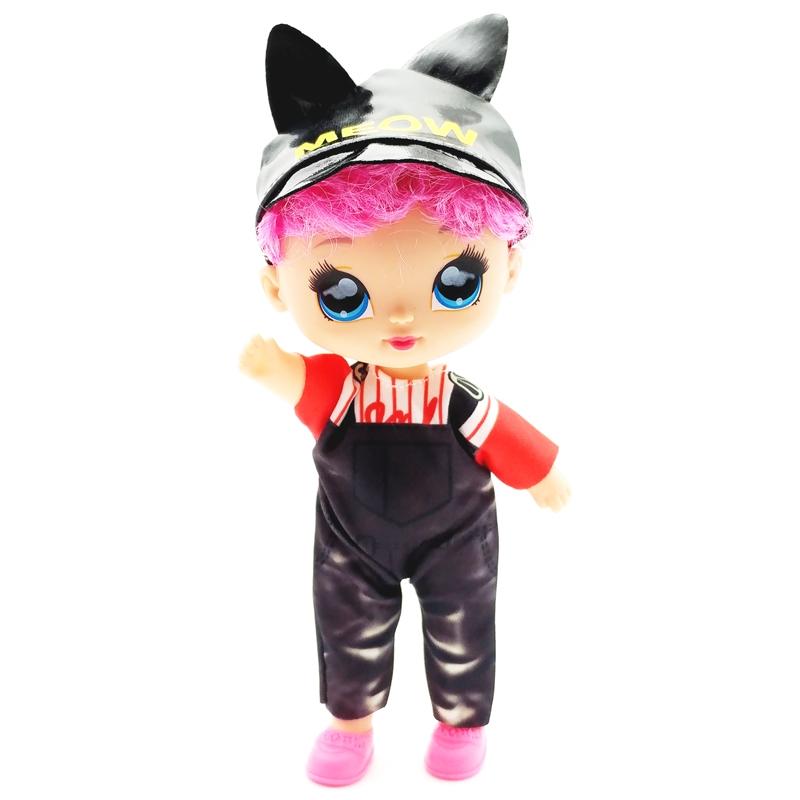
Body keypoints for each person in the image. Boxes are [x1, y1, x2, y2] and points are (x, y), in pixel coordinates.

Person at [240, 15, 571, 787]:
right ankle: (350, 724)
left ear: (508, 269)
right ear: (276, 284)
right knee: (347, 626)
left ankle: (461, 723)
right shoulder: (339, 389)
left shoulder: (456, 398)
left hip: (458, 534)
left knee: (465, 625)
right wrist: (272, 368)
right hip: (350, 541)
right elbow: (297, 380)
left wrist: (542, 475)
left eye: (456, 282)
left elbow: (505, 434)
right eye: (342, 292)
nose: (399, 319)